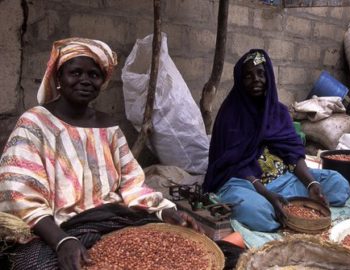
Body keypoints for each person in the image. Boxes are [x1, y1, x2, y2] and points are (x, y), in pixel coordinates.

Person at [0, 38, 204, 270]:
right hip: (57, 228)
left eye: (94, 75)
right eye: (75, 72)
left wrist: (164, 210)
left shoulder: (109, 128)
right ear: (59, 77)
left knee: (180, 250)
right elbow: (19, 194)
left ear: (103, 81)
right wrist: (63, 241)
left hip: (112, 218)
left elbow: (131, 183)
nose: (85, 80)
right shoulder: (35, 123)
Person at [202, 49, 350, 232]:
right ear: (240, 82)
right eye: (248, 76)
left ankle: (292, 203)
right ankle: (284, 206)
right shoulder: (231, 116)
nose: (256, 79)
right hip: (245, 183)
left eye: (261, 74)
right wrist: (267, 194)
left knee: (339, 185)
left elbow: (293, 153)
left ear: (269, 78)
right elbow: (233, 164)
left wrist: (311, 184)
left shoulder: (278, 112)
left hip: (286, 178)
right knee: (260, 214)